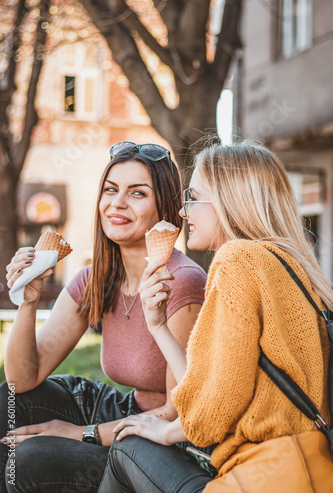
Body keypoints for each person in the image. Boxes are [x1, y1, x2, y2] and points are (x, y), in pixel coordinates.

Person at [97, 139, 333, 493]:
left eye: (192, 198)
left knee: (129, 444)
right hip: (305, 471)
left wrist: (165, 430)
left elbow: (212, 415)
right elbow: (211, 384)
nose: (182, 212)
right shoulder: (289, 266)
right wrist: (158, 325)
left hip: (258, 479)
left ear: (227, 200)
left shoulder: (236, 260)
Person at [0, 141, 207, 493]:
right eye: (111, 190)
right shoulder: (96, 278)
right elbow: (24, 377)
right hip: (122, 407)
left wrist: (77, 433)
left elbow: (176, 414)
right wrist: (28, 301)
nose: (118, 203)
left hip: (163, 441)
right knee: (8, 402)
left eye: (137, 193)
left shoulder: (181, 282)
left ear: (166, 207)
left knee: (31, 459)